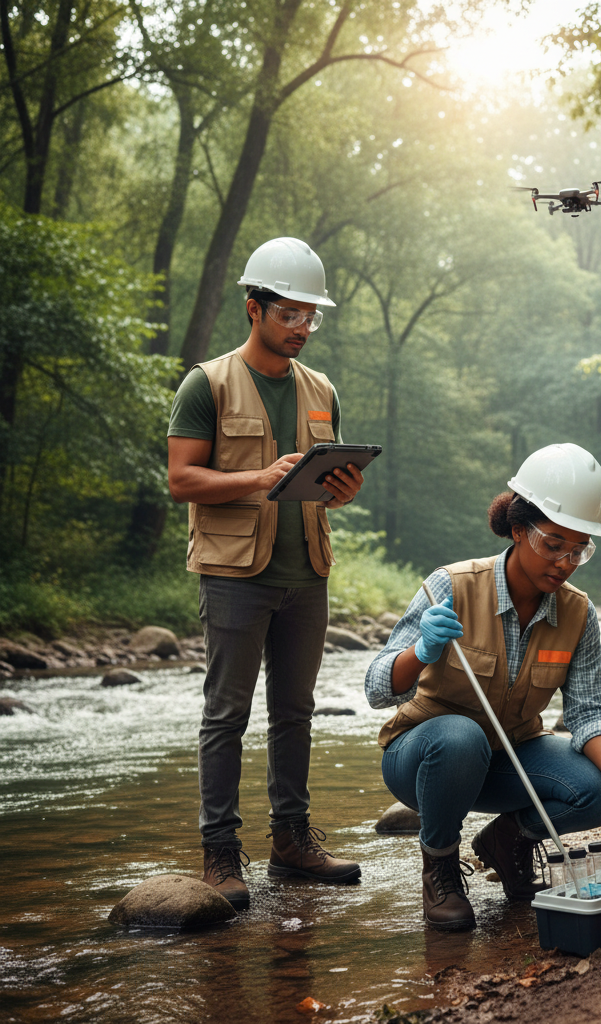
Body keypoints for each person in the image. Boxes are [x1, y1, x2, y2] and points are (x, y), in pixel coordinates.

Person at [364, 443, 601, 932]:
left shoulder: (579, 614)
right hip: (424, 757)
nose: (565, 562)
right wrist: (421, 653)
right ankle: (440, 865)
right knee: (460, 736)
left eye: (579, 549)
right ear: (519, 529)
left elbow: (588, 713)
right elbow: (378, 688)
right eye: (553, 544)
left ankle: (509, 840)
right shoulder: (451, 587)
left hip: (510, 758)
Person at [167, 237, 365, 910]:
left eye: (312, 316)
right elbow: (181, 479)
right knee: (226, 715)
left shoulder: (322, 391)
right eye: (291, 314)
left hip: (307, 572)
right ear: (254, 309)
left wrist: (339, 489)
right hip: (233, 576)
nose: (304, 328)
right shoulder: (207, 384)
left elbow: (322, 484)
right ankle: (220, 854)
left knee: (296, 712)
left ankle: (291, 841)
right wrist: (257, 476)